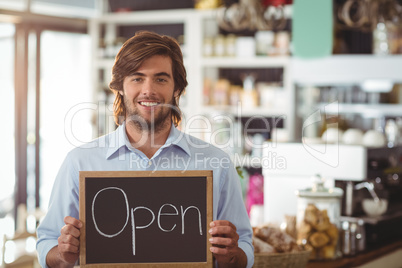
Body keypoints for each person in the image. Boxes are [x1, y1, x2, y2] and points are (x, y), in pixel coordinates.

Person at [36, 31, 254, 268]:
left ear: (177, 89)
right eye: (137, 78)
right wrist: (63, 254)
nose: (148, 90)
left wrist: (232, 255)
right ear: (120, 86)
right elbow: (47, 242)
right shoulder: (80, 162)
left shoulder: (216, 163)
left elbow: (244, 246)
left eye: (161, 79)